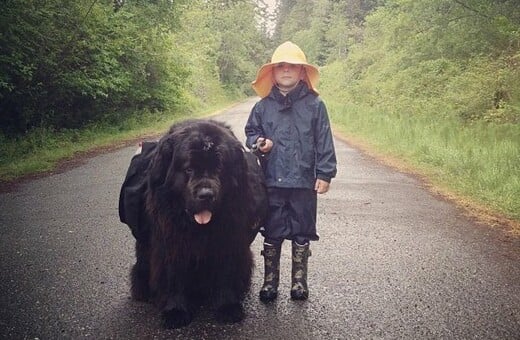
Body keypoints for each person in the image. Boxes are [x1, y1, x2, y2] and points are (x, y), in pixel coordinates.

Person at [245, 41, 337, 301]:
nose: (286, 70)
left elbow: (324, 141)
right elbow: (251, 134)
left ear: (302, 73)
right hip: (271, 180)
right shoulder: (262, 107)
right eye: (281, 66)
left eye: (292, 67)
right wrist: (259, 144)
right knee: (272, 230)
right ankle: (269, 283)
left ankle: (299, 283)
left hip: (304, 182)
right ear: (272, 73)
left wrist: (325, 174)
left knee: (302, 230)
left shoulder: (315, 105)